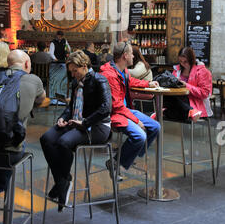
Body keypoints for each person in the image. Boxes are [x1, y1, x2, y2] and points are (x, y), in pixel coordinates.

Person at [0, 50, 45, 209]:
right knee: (16, 145)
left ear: (8, 64)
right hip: (10, 153)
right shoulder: (33, 80)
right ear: (27, 64)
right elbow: (41, 99)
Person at [40, 50, 111, 211]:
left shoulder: (100, 80)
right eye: (71, 71)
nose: (73, 74)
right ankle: (62, 181)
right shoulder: (75, 82)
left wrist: (84, 122)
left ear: (84, 66)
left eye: (75, 71)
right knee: (46, 138)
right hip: (76, 123)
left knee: (63, 142)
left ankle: (62, 183)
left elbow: (106, 109)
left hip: (97, 127)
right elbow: (71, 106)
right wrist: (63, 117)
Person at [100, 41, 160, 178]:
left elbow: (130, 81)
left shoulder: (122, 70)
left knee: (155, 127)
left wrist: (147, 84)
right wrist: (136, 120)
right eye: (132, 54)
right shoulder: (109, 75)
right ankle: (118, 161)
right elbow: (116, 106)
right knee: (140, 136)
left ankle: (127, 156)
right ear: (125, 56)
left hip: (125, 110)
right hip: (115, 113)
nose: (134, 56)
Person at [162, 46, 213, 123]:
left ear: (191, 60)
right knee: (166, 96)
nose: (182, 64)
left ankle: (161, 113)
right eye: (180, 61)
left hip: (195, 103)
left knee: (170, 104)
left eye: (185, 61)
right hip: (179, 102)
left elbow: (205, 93)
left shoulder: (202, 72)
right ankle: (190, 111)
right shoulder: (177, 70)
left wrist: (186, 85)